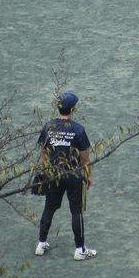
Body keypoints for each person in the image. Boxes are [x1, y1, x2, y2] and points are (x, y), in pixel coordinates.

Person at [34, 91, 96, 260]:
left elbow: (43, 153)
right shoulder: (78, 129)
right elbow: (85, 159)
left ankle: (41, 243)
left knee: (49, 208)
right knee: (76, 212)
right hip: (73, 176)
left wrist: (45, 171)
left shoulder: (48, 127)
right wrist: (89, 176)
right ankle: (80, 250)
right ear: (73, 109)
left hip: (53, 175)